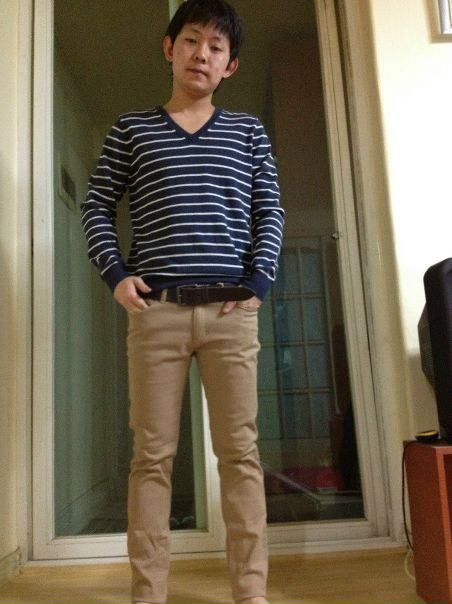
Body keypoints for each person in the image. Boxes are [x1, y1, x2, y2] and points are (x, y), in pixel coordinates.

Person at [81, 1, 284, 602]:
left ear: (231, 65)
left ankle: (251, 592)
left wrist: (259, 282)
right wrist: (116, 275)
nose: (202, 54)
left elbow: (270, 212)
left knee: (240, 455)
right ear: (169, 48)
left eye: (216, 47)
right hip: (157, 314)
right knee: (151, 458)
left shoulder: (248, 133)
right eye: (192, 40)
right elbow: (96, 205)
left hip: (231, 314)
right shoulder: (131, 129)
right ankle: (148, 593)